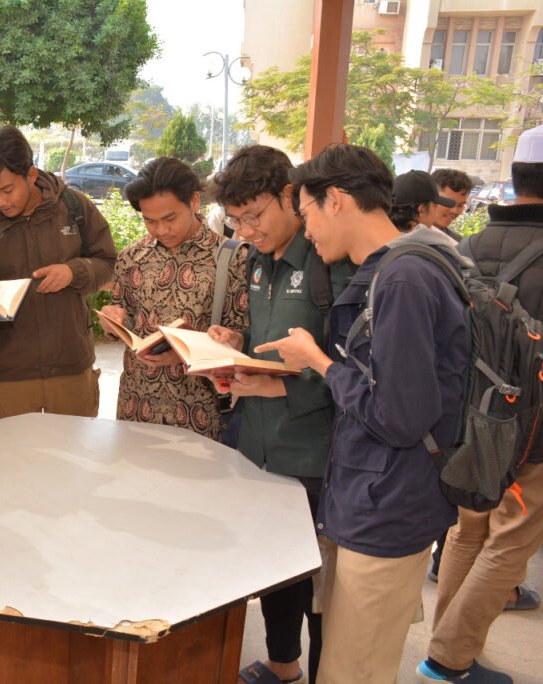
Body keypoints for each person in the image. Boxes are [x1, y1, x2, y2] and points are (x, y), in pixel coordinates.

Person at [255, 144, 468, 684]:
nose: (307, 231)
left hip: (389, 505)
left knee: (354, 670)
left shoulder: (403, 279)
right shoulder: (393, 269)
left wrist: (319, 362)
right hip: (370, 497)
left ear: (337, 200)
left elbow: (400, 416)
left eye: (306, 213)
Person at [208, 145, 353, 683]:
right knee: (276, 566)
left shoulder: (329, 261)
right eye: (236, 220)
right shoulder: (257, 260)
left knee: (322, 585)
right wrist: (236, 343)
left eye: (255, 215)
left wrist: (282, 391)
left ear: (291, 196)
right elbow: (275, 340)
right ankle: (282, 663)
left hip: (314, 450)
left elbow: (350, 363)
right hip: (260, 445)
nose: (246, 230)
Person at [417, 124, 543, 684]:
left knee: (468, 530)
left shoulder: (465, 247)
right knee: (511, 540)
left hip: (470, 420)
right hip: (533, 429)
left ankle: (448, 646)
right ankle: (449, 657)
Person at [0, 126, 116, 419]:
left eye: (7, 190)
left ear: (31, 175)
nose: (0, 201)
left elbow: (110, 266)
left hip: (72, 368)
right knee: (14, 451)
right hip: (9, 376)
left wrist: (74, 272)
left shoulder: (75, 208)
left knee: (75, 449)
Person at [97, 156, 247, 440]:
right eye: (149, 221)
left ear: (194, 201)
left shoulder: (231, 258)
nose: (160, 230)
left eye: (169, 219)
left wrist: (190, 351)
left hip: (201, 410)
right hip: (137, 403)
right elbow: (124, 313)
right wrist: (113, 321)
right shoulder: (132, 257)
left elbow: (242, 336)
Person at [389, 170, 456, 235]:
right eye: (435, 206)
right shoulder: (425, 241)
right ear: (422, 209)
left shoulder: (386, 235)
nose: (435, 214)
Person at [429, 169, 473, 241]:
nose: (454, 211)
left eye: (460, 205)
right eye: (448, 202)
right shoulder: (409, 236)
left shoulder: (458, 242)